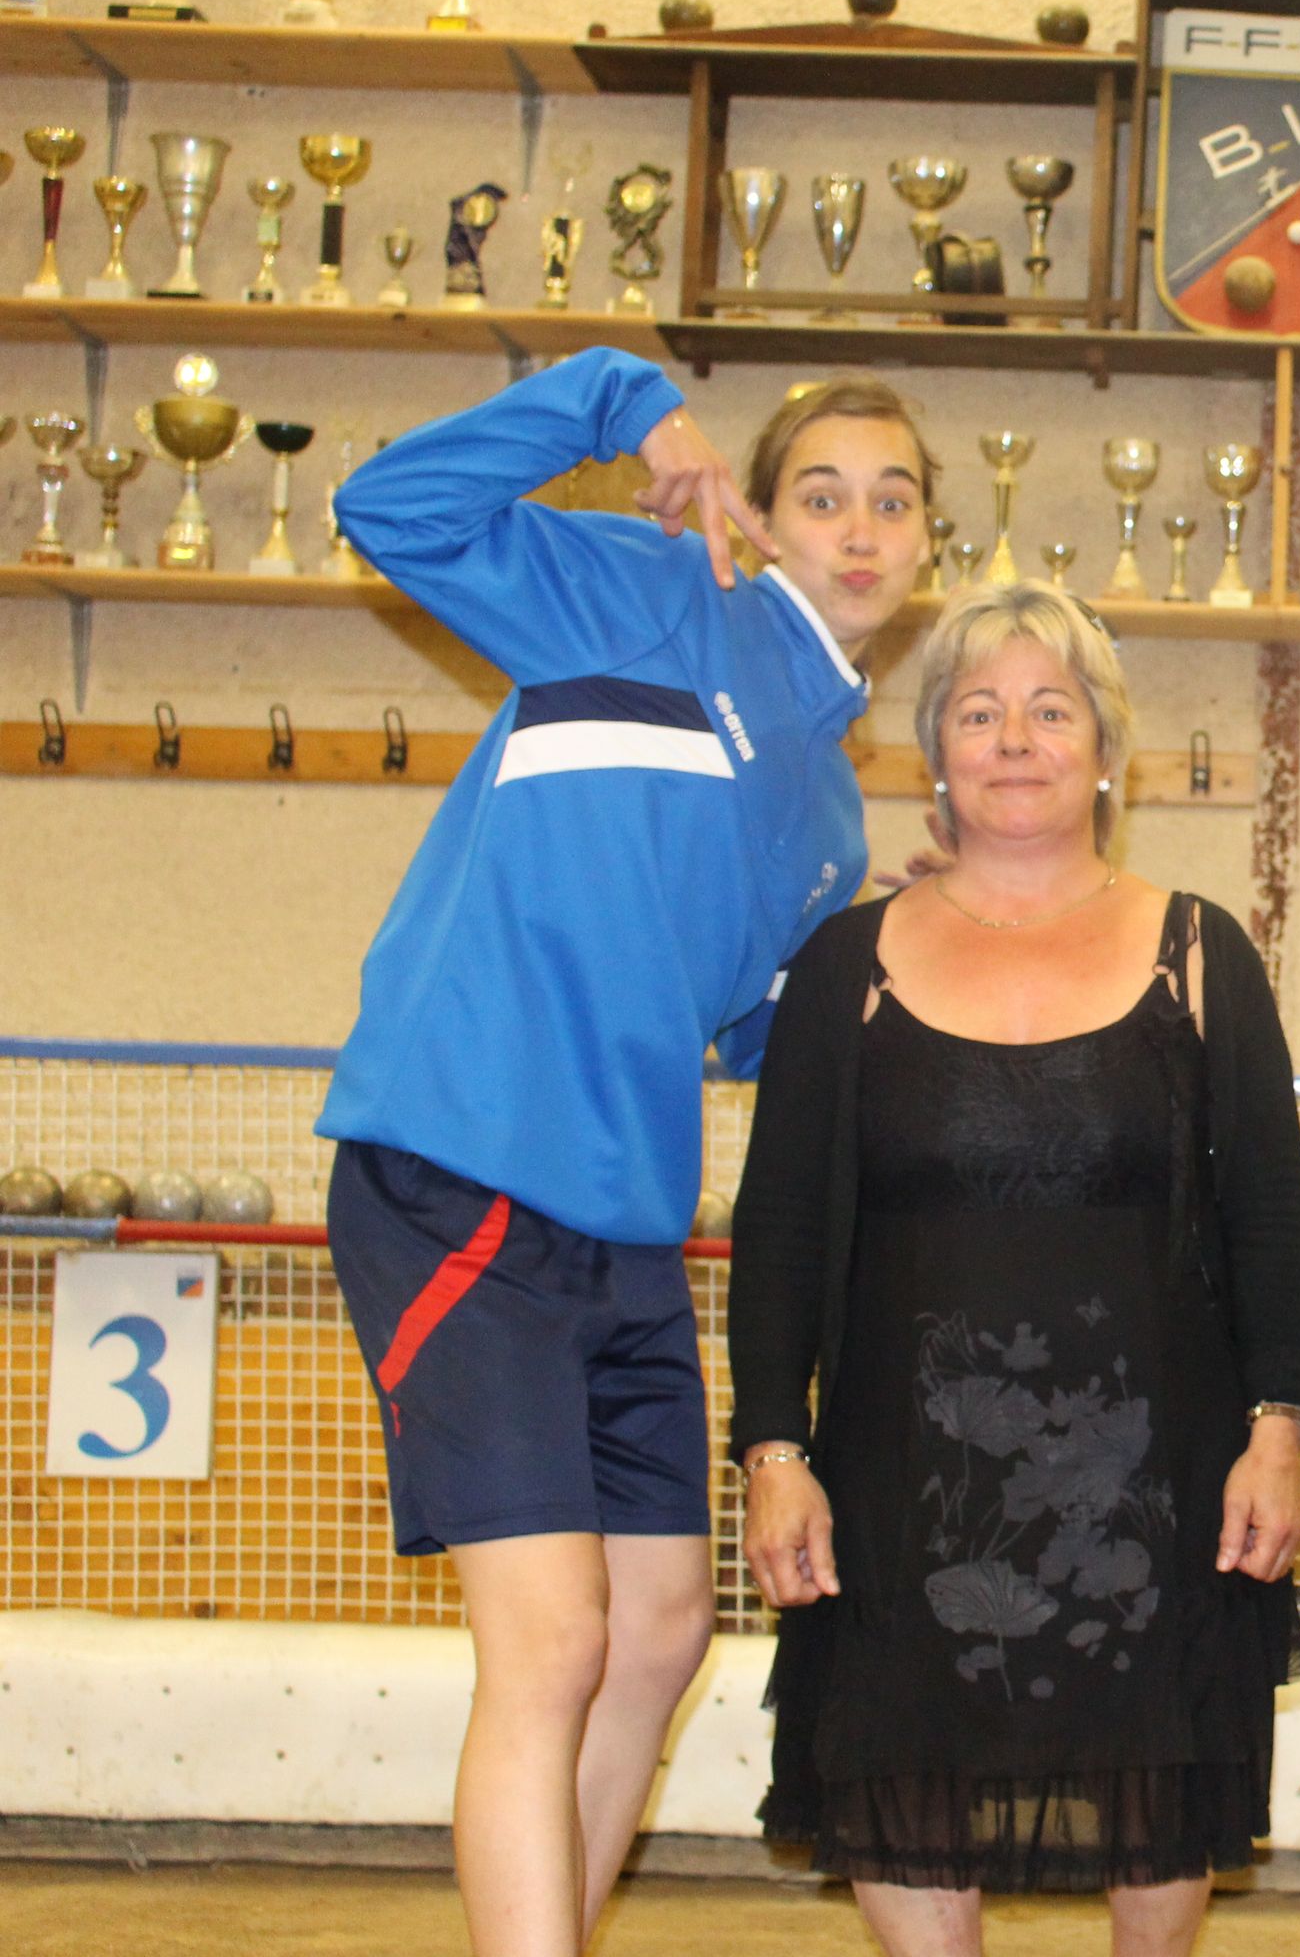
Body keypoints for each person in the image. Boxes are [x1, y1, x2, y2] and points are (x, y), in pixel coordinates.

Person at [316, 351, 934, 1956]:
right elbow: (388, 507)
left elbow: (744, 1035)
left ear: (929, 544)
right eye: (823, 495)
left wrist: (895, 952)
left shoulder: (830, 815)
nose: (861, 528)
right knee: (553, 1643)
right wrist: (613, 397)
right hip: (462, 1172)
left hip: (626, 1230)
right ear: (760, 514)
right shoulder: (650, 597)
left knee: (657, 1634)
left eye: (894, 501)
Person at [728, 579, 1300, 1957]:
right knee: (901, 1777)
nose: (1014, 739)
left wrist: (1276, 1430)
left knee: (1158, 1779)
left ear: (1107, 751)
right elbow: (781, 1231)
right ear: (935, 751)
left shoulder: (1200, 954)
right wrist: (771, 1451)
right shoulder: (844, 965)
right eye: (979, 712)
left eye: (1052, 711)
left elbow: (1271, 1215)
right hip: (899, 1490)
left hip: (1155, 1486)